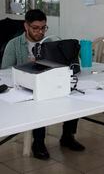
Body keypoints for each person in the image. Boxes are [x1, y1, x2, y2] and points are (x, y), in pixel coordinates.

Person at [1, 9, 85, 160]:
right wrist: (28, 65)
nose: (40, 32)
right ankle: (38, 143)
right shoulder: (13, 44)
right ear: (26, 26)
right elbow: (5, 72)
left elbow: (60, 65)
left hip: (48, 83)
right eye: (35, 28)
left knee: (72, 98)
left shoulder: (51, 43)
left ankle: (67, 136)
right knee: (38, 104)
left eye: (43, 28)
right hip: (25, 87)